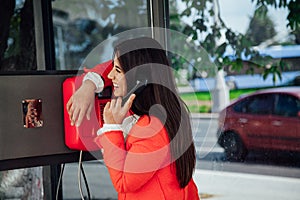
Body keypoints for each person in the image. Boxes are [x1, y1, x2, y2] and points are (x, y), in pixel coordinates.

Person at [67, 37, 200, 200]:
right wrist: (89, 85)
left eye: (117, 70)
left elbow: (123, 182)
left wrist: (111, 128)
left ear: (139, 81)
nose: (110, 75)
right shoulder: (167, 113)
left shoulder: (151, 128)